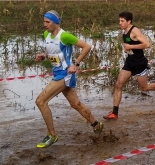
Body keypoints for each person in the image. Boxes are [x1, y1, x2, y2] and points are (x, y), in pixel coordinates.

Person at [34, 10, 103, 148]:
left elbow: (87, 46)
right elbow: (52, 50)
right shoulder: (46, 34)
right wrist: (44, 55)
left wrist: (75, 64)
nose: (45, 25)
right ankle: (96, 125)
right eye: (44, 22)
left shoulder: (64, 36)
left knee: (40, 101)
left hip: (65, 74)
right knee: (75, 104)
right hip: (57, 73)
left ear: (56, 22)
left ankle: (52, 135)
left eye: (48, 22)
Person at [103, 11, 155, 120]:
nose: (119, 23)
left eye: (122, 21)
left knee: (144, 88)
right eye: (119, 20)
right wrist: (127, 48)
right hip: (130, 62)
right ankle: (114, 113)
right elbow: (129, 45)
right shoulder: (123, 31)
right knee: (118, 84)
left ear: (129, 21)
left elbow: (147, 44)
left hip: (140, 63)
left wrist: (130, 46)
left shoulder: (134, 30)